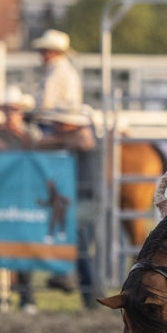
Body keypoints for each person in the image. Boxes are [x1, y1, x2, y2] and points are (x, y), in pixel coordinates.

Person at [0, 85, 41, 313]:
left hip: (23, 197)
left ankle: (27, 298)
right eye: (6, 109)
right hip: (0, 198)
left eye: (13, 109)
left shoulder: (31, 135)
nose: (9, 113)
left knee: (23, 247)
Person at [35, 108, 102, 310]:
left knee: (76, 239)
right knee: (78, 244)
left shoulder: (85, 136)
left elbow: (81, 141)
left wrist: (61, 139)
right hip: (73, 201)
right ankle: (87, 293)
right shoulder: (66, 137)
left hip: (85, 200)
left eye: (61, 123)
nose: (56, 126)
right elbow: (40, 144)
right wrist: (62, 138)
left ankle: (69, 278)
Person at [31, 29, 83, 113]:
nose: (41, 56)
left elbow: (46, 103)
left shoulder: (57, 71)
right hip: (61, 118)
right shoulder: (63, 68)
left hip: (55, 120)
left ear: (52, 52)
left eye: (43, 52)